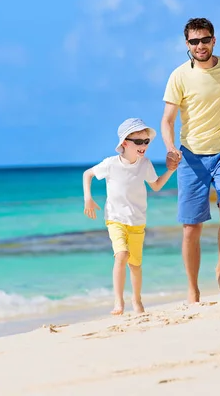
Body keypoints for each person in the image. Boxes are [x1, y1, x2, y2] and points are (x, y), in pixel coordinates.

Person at [160, 17, 220, 303]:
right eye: (194, 41)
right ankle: (193, 289)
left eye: (205, 40)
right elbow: (167, 120)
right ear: (186, 44)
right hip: (191, 156)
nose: (200, 46)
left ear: (214, 40)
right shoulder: (179, 75)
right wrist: (170, 149)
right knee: (191, 227)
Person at [82, 118, 178, 315]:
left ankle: (137, 300)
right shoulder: (110, 164)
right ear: (125, 143)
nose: (143, 146)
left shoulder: (145, 164)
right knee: (122, 255)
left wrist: (170, 170)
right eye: (138, 142)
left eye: (146, 142)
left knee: (135, 264)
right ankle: (119, 302)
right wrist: (88, 199)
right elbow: (87, 174)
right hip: (115, 219)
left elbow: (156, 185)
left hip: (137, 220)